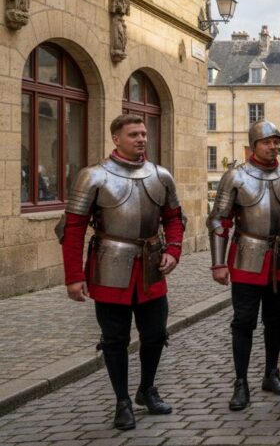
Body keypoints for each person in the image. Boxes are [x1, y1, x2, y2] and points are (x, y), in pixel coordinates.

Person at [57, 114, 185, 430]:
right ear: (116, 138)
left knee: (155, 334)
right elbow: (72, 229)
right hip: (109, 267)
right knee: (115, 339)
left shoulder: (161, 175)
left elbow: (173, 218)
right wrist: (74, 276)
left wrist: (174, 250)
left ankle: (146, 389)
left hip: (152, 267)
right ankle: (122, 401)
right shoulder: (93, 177)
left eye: (143, 133)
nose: (141, 138)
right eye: (133, 134)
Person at [208, 121, 280, 411]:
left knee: (276, 320)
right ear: (253, 145)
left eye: (276, 141)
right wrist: (217, 264)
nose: (273, 146)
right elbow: (219, 220)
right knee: (244, 321)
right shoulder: (235, 177)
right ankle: (240, 382)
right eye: (267, 142)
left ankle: (271, 373)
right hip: (247, 256)